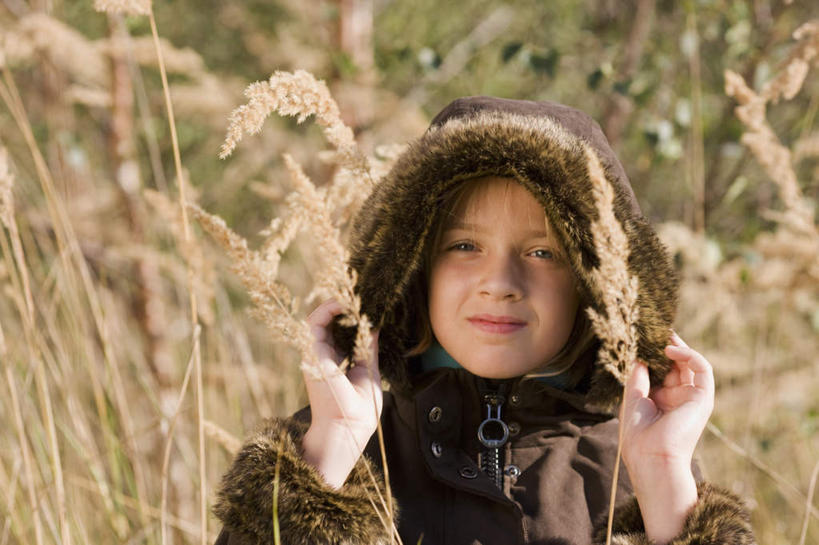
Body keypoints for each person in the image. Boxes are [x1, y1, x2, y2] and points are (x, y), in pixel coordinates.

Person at [212, 97, 755, 544]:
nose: (500, 282)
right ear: (413, 266)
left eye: (544, 253)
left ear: (597, 284)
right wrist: (329, 453)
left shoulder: (638, 467)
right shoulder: (339, 449)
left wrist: (665, 482)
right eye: (465, 245)